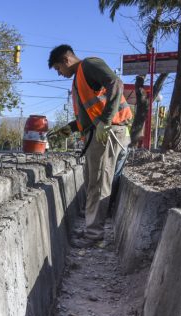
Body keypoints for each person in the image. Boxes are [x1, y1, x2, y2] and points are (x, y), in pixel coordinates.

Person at [48, 44, 132, 248]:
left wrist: (106, 120)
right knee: (93, 182)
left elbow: (115, 82)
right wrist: (65, 131)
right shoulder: (79, 79)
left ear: (66, 60)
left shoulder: (89, 65)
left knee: (98, 183)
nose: (60, 74)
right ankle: (93, 230)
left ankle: (94, 236)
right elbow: (86, 120)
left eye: (59, 69)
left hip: (109, 132)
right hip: (102, 132)